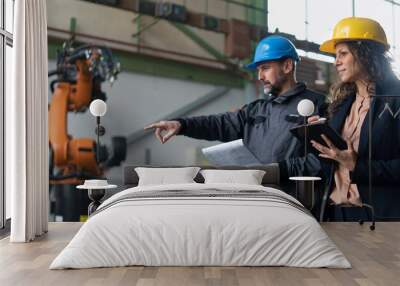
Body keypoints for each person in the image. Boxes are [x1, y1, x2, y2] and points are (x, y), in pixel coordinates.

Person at [145, 35, 326, 180]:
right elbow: (219, 123)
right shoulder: (256, 110)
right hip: (255, 196)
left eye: (265, 68)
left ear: (287, 66)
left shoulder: (317, 105)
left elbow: (321, 162)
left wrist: (275, 171)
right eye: (258, 70)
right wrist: (181, 125)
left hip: (292, 201)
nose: (260, 76)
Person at [310, 17, 400, 221]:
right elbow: (330, 160)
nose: (336, 62)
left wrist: (358, 167)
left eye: (343, 54)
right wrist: (317, 134)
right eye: (336, 55)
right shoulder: (341, 104)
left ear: (365, 54)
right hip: (334, 212)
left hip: (379, 219)